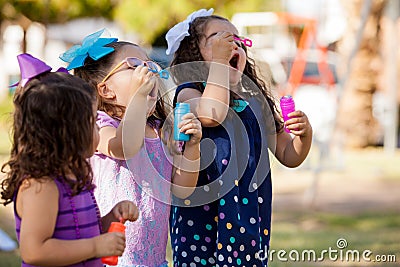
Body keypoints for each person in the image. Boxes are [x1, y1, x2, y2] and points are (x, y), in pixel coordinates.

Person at [165, 8, 313, 267]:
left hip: (247, 219)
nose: (232, 44)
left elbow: (289, 155)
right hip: (201, 220)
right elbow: (213, 113)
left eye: (237, 40)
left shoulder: (255, 102)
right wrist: (221, 64)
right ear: (194, 54)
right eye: (220, 38)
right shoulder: (188, 94)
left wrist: (304, 136)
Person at [60, 29, 202, 267]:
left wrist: (192, 148)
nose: (148, 71)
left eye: (149, 64)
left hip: (152, 259)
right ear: (106, 90)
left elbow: (182, 189)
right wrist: (138, 98)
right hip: (110, 259)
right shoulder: (100, 124)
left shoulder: (162, 130)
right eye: (135, 66)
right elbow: (124, 147)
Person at [0, 53, 139, 267]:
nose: (99, 128)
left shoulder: (75, 177)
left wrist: (109, 220)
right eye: (93, 122)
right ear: (67, 131)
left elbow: (77, 235)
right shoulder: (42, 186)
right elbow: (34, 251)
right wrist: (96, 246)